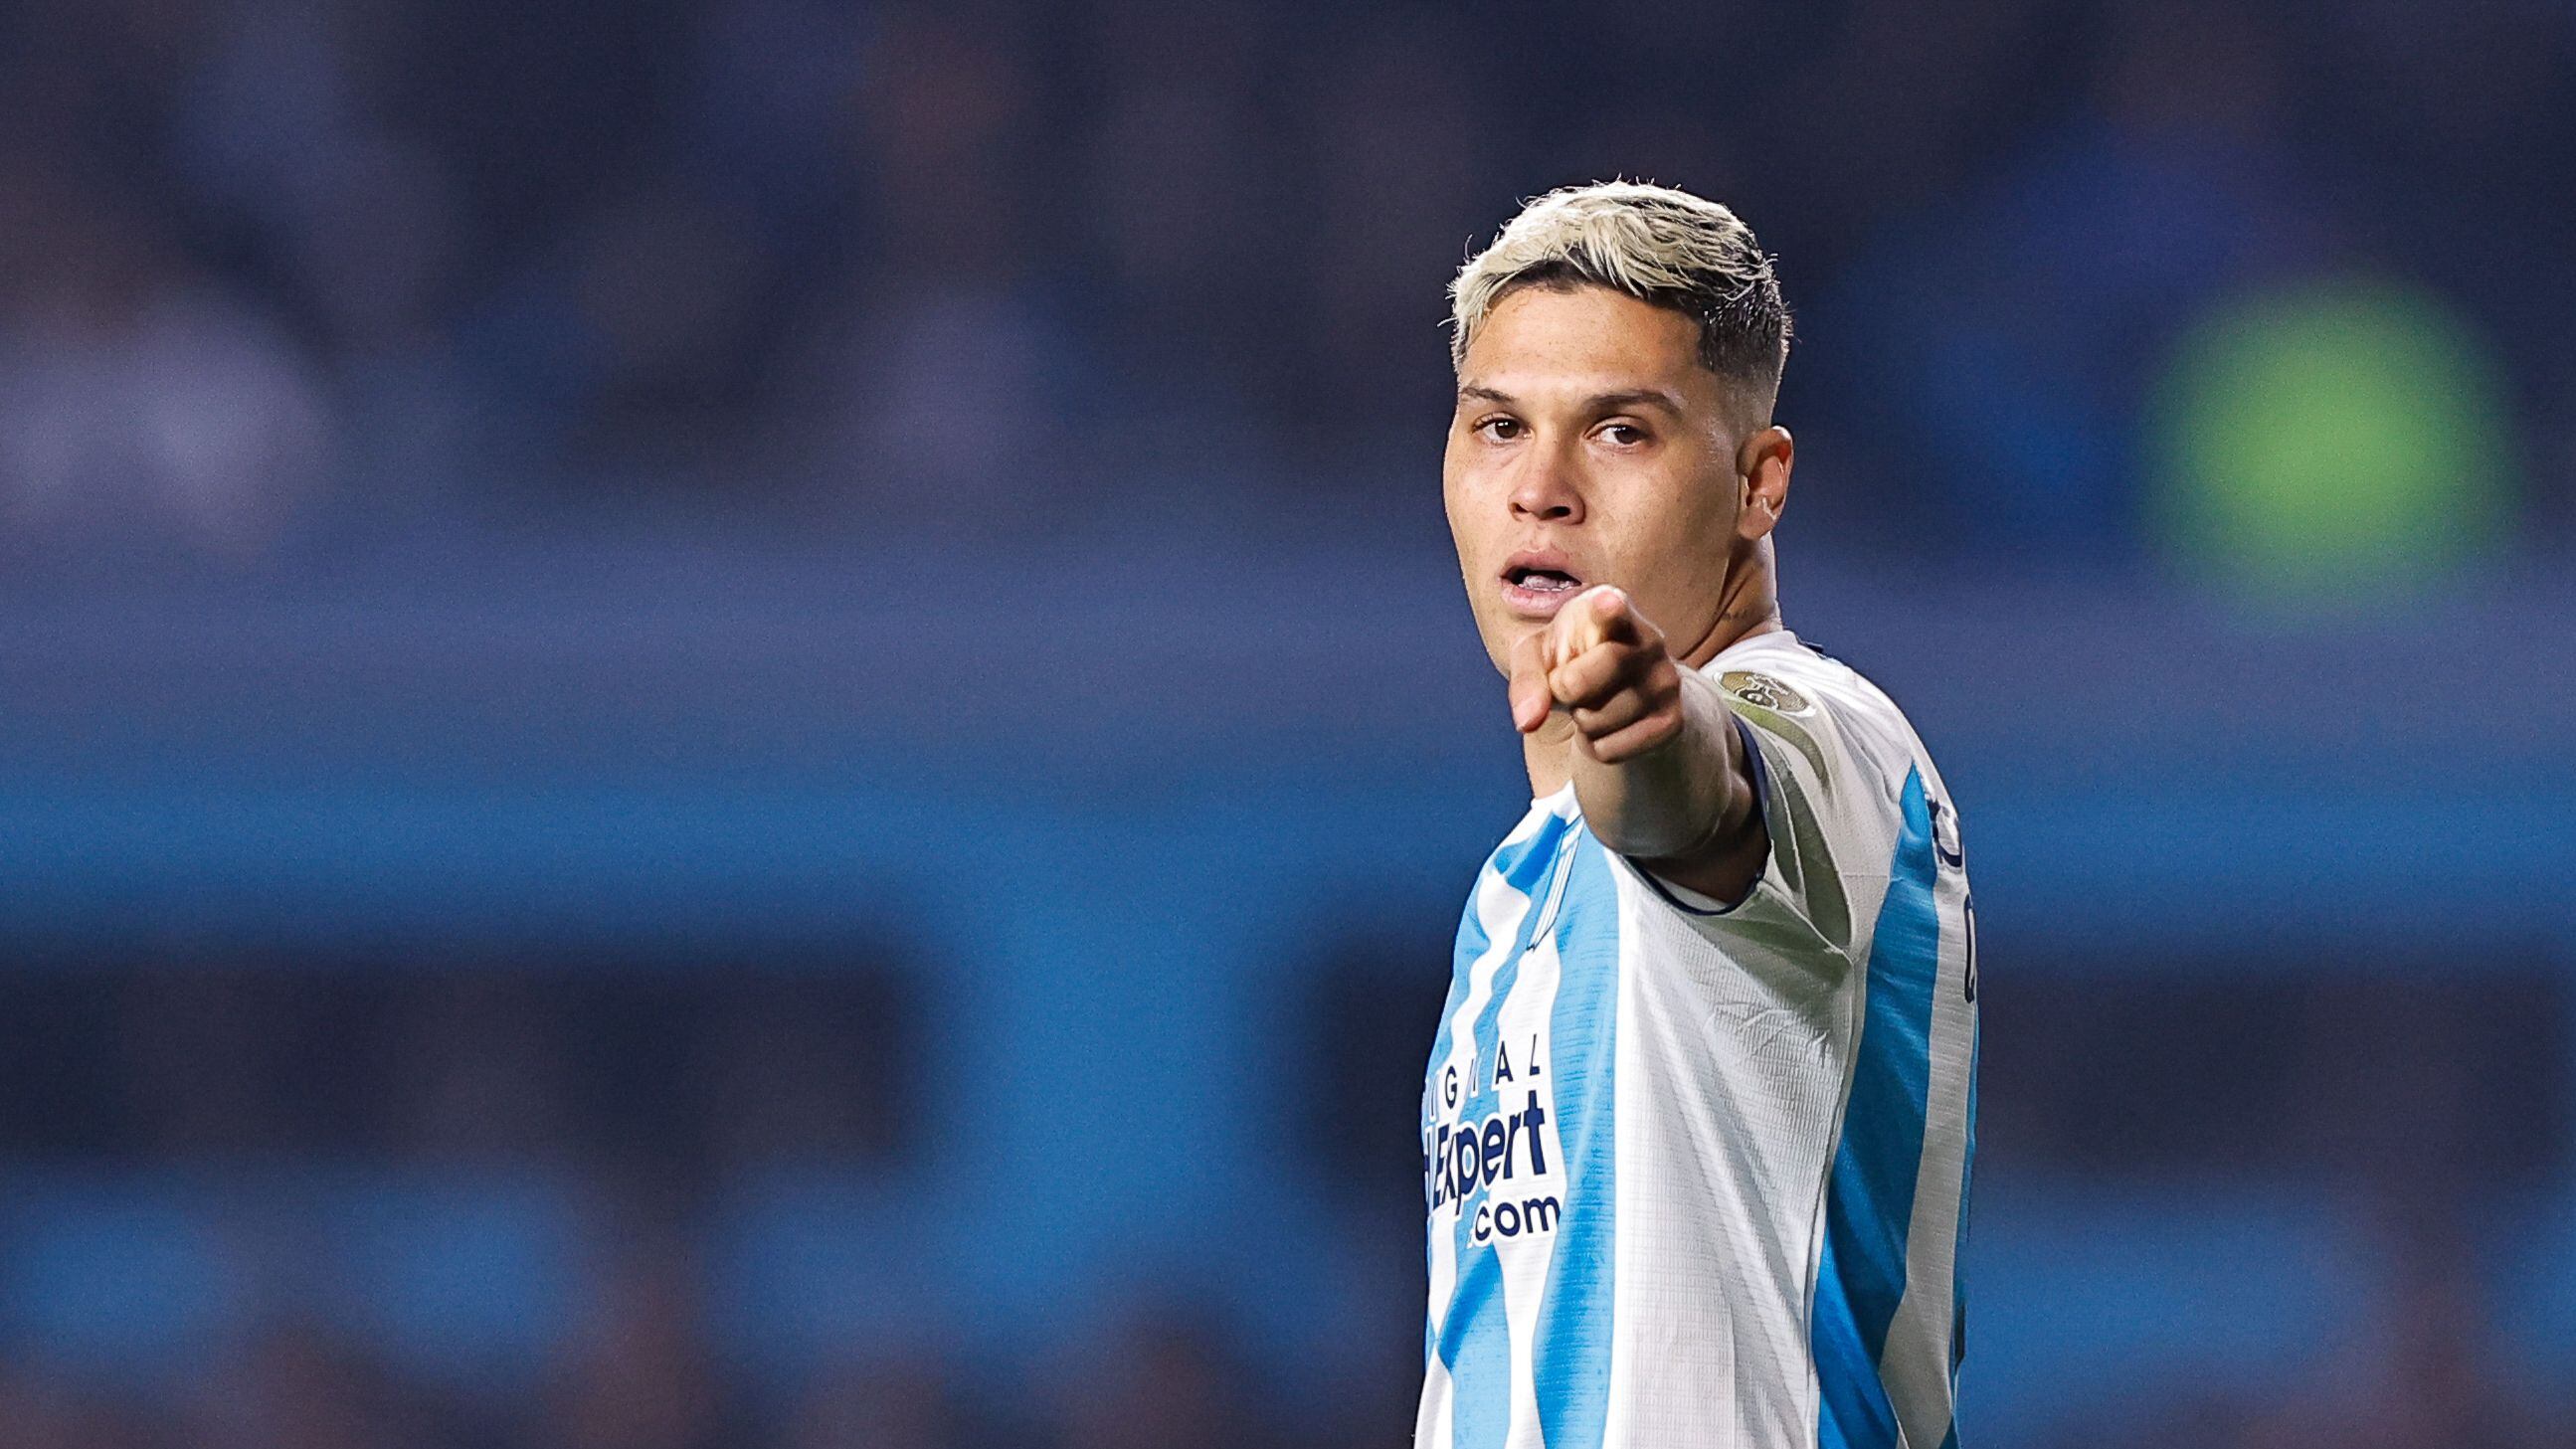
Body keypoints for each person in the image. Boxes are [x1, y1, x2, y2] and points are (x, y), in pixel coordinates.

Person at [1417, 181, 1978, 1448]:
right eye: (1496, 426)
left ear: (1756, 482)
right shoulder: (1519, 887)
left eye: (1620, 432)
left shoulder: (1826, 732)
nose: (1541, 488)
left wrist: (1642, 718)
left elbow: (1705, 799)